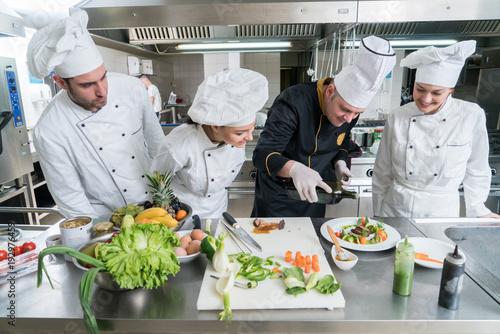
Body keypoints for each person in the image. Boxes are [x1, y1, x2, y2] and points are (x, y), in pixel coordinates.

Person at [28, 10, 164, 220]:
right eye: (87, 85)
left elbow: (158, 146)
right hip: (105, 218)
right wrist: (102, 234)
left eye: (103, 77)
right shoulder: (49, 130)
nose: (102, 91)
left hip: (155, 205)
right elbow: (70, 198)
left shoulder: (133, 88)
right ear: (61, 83)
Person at [252, 35, 396, 218]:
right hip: (278, 198)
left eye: (356, 113)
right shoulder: (293, 101)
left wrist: (340, 162)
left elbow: (342, 142)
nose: (349, 118)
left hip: (315, 197)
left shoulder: (349, 115)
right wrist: (296, 169)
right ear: (330, 91)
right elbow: (262, 154)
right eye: (345, 109)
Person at [372, 40, 500, 218]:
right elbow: (382, 171)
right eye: (420, 89)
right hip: (397, 208)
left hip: (441, 211)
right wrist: (378, 213)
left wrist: (478, 209)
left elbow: (477, 168)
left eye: (436, 93)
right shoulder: (397, 116)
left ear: (450, 90)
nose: (425, 98)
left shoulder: (471, 115)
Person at [151, 68, 268, 219]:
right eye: (240, 132)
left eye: (251, 129)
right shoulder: (179, 145)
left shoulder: (236, 141)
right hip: (182, 215)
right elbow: (157, 180)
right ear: (215, 126)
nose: (249, 138)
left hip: (218, 211)